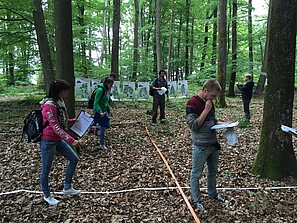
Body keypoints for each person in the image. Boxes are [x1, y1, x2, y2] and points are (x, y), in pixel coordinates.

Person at [186, 79, 228, 213]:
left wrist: (224, 123)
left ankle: (213, 194)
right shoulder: (192, 103)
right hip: (200, 146)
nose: (214, 99)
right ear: (205, 91)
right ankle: (197, 200)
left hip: (213, 144)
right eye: (213, 95)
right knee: (196, 174)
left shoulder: (209, 103)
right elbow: (193, 125)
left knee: (212, 172)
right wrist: (206, 110)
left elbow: (212, 121)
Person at [40, 79, 82, 206]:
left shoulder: (59, 102)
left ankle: (67, 187)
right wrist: (72, 140)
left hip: (58, 140)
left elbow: (61, 121)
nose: (67, 92)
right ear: (61, 91)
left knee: (74, 159)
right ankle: (47, 195)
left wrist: (72, 121)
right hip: (48, 141)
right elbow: (55, 127)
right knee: (46, 170)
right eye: (66, 90)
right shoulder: (49, 105)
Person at [93, 77, 114, 151]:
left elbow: (106, 102)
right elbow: (96, 103)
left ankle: (95, 128)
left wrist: (109, 110)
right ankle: (102, 144)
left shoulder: (107, 91)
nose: (111, 87)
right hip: (99, 111)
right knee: (103, 127)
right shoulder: (100, 90)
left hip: (104, 110)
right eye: (110, 85)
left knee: (108, 125)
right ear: (107, 83)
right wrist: (100, 111)